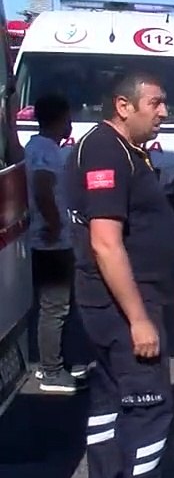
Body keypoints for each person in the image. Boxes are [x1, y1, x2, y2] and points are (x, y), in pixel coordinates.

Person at [66, 71, 174, 478]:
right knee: (150, 407)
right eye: (155, 103)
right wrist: (138, 318)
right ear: (123, 105)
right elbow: (106, 243)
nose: (164, 111)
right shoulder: (105, 151)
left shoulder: (125, 151)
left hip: (115, 303)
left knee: (109, 399)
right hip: (123, 305)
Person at [26, 93, 92, 392]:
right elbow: (42, 188)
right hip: (51, 242)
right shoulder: (44, 150)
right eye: (68, 118)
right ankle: (51, 371)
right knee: (55, 307)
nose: (70, 125)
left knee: (57, 306)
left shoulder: (45, 147)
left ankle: (56, 363)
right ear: (59, 118)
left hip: (53, 238)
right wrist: (54, 225)